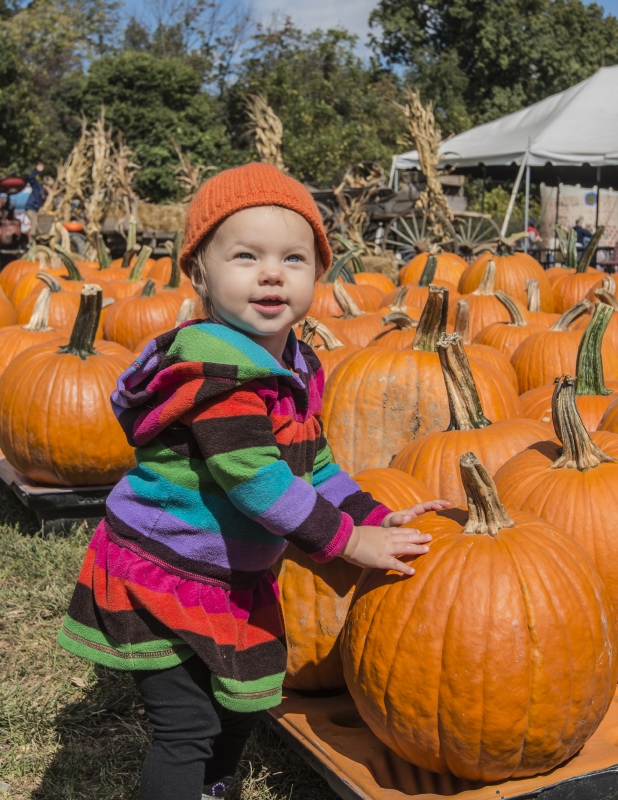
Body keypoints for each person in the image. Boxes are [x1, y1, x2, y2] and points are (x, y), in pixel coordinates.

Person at [57, 163, 449, 800]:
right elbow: (259, 484)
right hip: (162, 571)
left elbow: (314, 466)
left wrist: (374, 517)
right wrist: (350, 543)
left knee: (242, 703)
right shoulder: (219, 376)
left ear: (318, 275)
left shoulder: (293, 364)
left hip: (226, 575)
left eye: (294, 258)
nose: (272, 273)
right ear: (199, 273)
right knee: (186, 727)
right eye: (246, 255)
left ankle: (213, 788)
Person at [24, 162, 52, 237]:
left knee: (42, 220)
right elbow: (30, 177)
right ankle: (32, 236)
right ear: (44, 185)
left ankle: (41, 235)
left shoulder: (47, 194)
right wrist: (37, 170)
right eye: (48, 186)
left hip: (36, 210)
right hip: (30, 207)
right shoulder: (37, 187)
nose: (49, 188)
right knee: (34, 219)